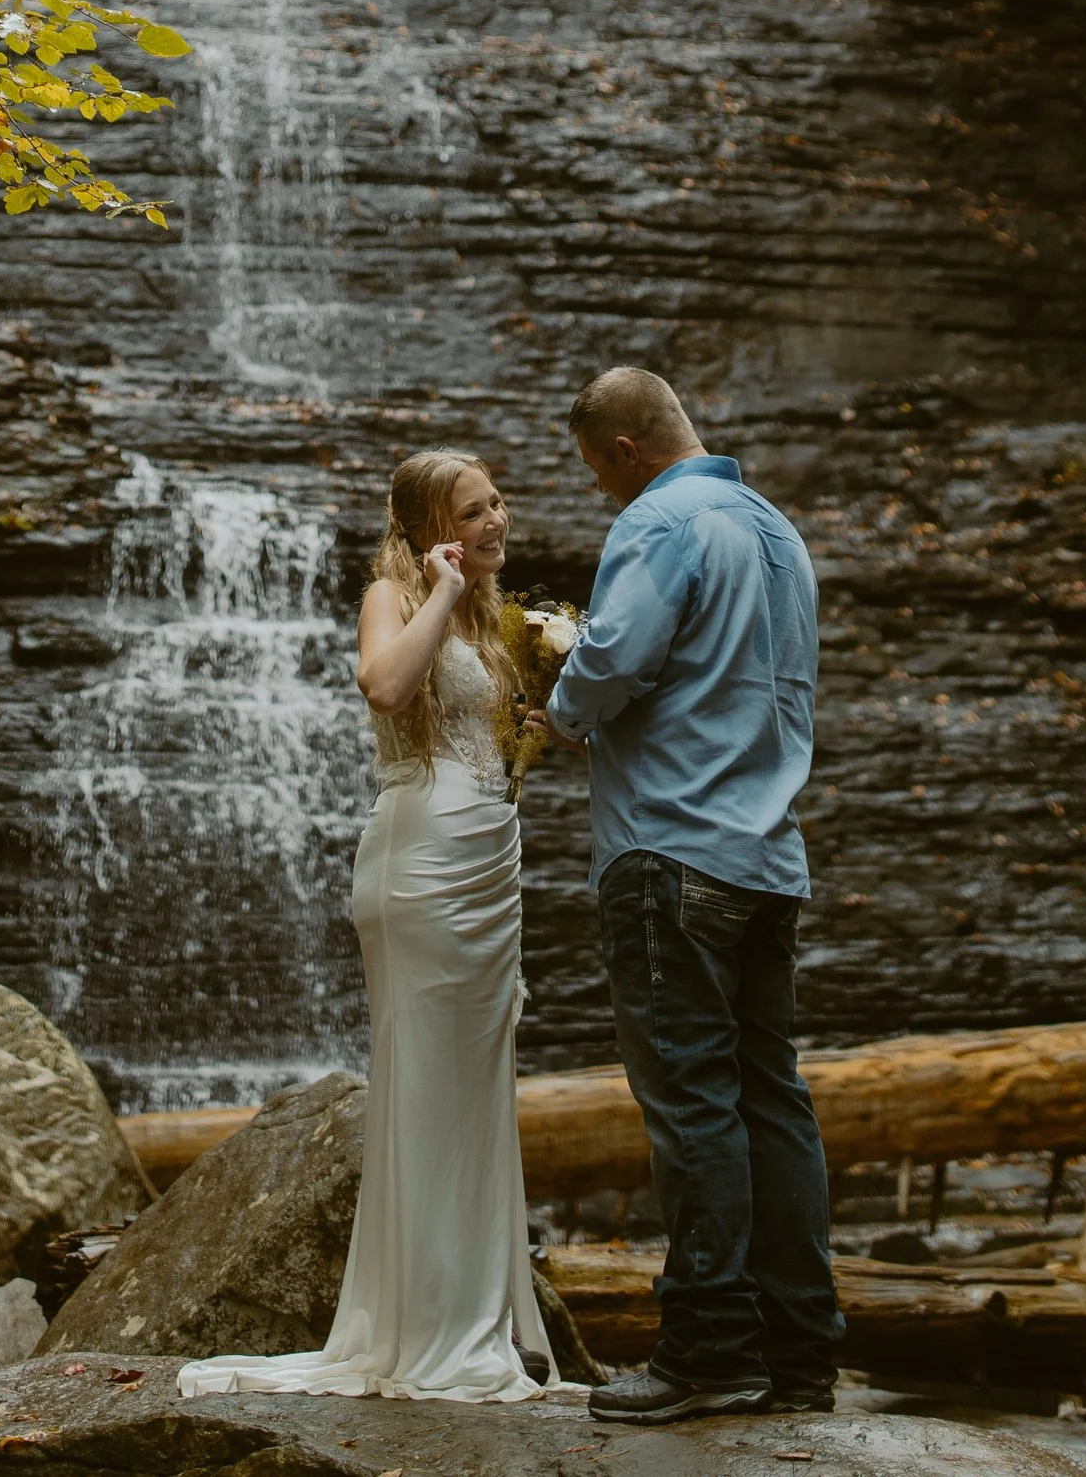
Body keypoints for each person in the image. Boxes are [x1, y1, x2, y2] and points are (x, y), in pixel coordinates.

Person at [179, 450, 580, 1404]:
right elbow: (386, 689)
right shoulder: (391, 598)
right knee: (425, 1088)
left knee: (478, 1088)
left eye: (498, 503)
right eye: (474, 511)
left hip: (491, 868)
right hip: (423, 866)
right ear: (427, 526)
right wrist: (441, 591)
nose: (497, 521)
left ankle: (474, 1313)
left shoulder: (497, 618)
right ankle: (427, 1327)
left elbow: (519, 731)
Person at [526, 367, 844, 1426]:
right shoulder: (776, 531)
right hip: (765, 855)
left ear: (621, 449)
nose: (601, 496)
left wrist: (557, 704)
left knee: (693, 1103)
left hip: (668, 851)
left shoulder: (660, 520)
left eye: (595, 475)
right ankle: (799, 1354)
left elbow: (613, 660)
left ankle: (708, 1347)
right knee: (772, 1100)